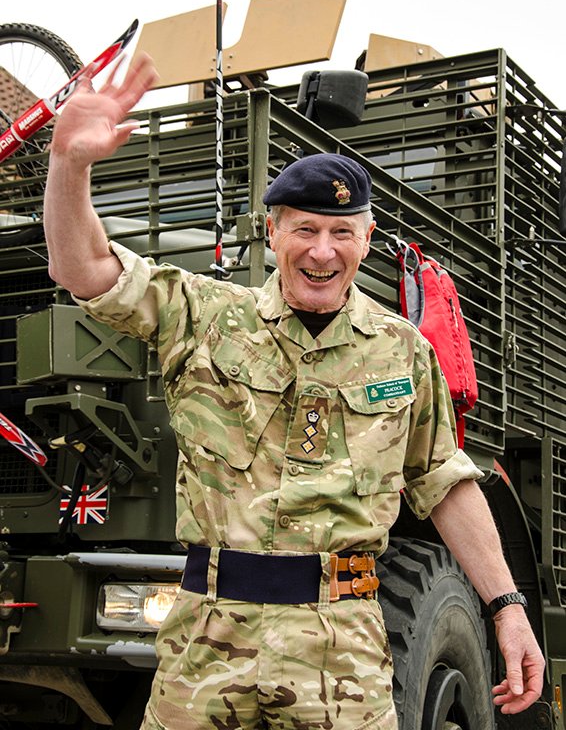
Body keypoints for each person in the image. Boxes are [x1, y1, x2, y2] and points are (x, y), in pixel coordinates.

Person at [44, 54, 545, 730]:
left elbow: (442, 481)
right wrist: (70, 165)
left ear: (367, 239)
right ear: (273, 230)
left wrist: (507, 608)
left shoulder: (403, 351)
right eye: (305, 228)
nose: (322, 251)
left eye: (342, 232)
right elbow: (84, 268)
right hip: (206, 645)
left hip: (341, 654)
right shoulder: (202, 315)